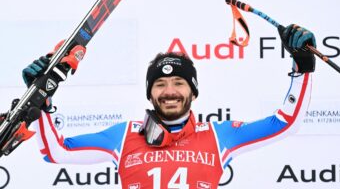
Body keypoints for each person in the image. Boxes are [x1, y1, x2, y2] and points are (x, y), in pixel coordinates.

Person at [22, 24, 316, 188]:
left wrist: (302, 67)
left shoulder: (219, 135)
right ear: (150, 95)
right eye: (160, 85)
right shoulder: (124, 136)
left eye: (179, 83)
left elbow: (285, 124)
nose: (169, 91)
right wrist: (41, 99)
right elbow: (56, 152)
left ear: (194, 92)